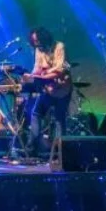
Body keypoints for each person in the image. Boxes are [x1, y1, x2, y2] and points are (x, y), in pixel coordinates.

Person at [23, 26, 72, 157]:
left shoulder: (59, 47)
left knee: (59, 119)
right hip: (47, 89)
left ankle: (61, 154)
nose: (36, 44)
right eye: (34, 41)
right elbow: (37, 68)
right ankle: (30, 150)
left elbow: (60, 69)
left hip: (62, 89)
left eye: (37, 40)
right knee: (36, 114)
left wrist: (45, 74)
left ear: (44, 38)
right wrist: (30, 76)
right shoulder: (38, 50)